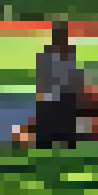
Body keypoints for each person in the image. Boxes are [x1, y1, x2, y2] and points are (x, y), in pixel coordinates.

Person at [31, 21, 84, 149]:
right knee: (57, 129)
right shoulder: (62, 53)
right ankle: (55, 144)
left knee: (59, 129)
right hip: (57, 96)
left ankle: (55, 144)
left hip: (59, 96)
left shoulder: (65, 53)